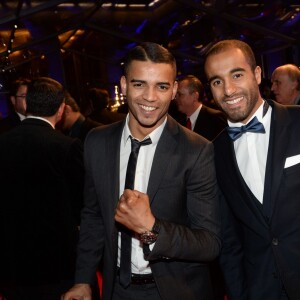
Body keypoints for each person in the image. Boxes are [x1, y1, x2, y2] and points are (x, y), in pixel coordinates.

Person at [62, 42, 221, 300]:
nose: (150, 97)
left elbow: (209, 243)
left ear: (174, 90)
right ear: (124, 86)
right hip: (116, 289)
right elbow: (93, 216)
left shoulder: (197, 150)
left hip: (174, 291)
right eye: (139, 84)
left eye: (161, 86)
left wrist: (151, 228)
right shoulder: (97, 141)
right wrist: (83, 280)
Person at [204, 39, 300, 300]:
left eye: (237, 74)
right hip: (261, 289)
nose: (228, 90)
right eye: (217, 81)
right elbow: (228, 240)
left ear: (257, 75)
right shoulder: (213, 153)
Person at [0, 77, 85, 300]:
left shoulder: (3, 143)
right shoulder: (67, 147)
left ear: (27, 105)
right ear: (61, 109)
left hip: (13, 264)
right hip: (57, 265)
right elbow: (81, 205)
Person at [175, 74, 227, 141]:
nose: (175, 98)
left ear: (194, 96)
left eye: (180, 94)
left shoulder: (215, 118)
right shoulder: (178, 123)